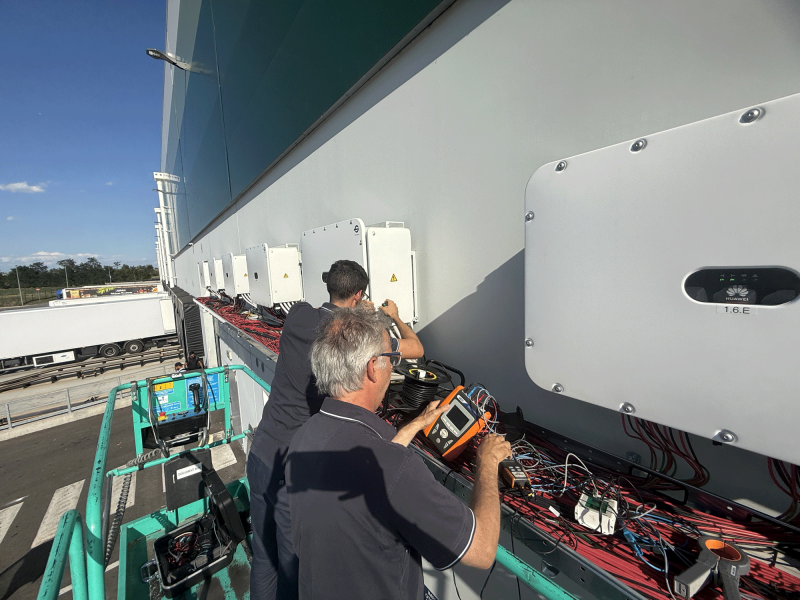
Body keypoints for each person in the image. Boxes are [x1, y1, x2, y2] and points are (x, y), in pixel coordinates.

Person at [285, 308, 511, 600]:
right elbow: (481, 551)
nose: (393, 366)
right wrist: (488, 462)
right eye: (392, 358)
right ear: (372, 368)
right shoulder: (394, 467)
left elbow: (373, 466)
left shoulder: (305, 435)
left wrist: (416, 425)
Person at [247, 260, 425, 600]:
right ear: (358, 294)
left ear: (330, 286)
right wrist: (392, 317)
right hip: (294, 467)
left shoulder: (298, 315)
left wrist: (356, 310)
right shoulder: (352, 337)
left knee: (263, 555)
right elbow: (416, 348)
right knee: (291, 569)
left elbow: (321, 313)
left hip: (262, 452)